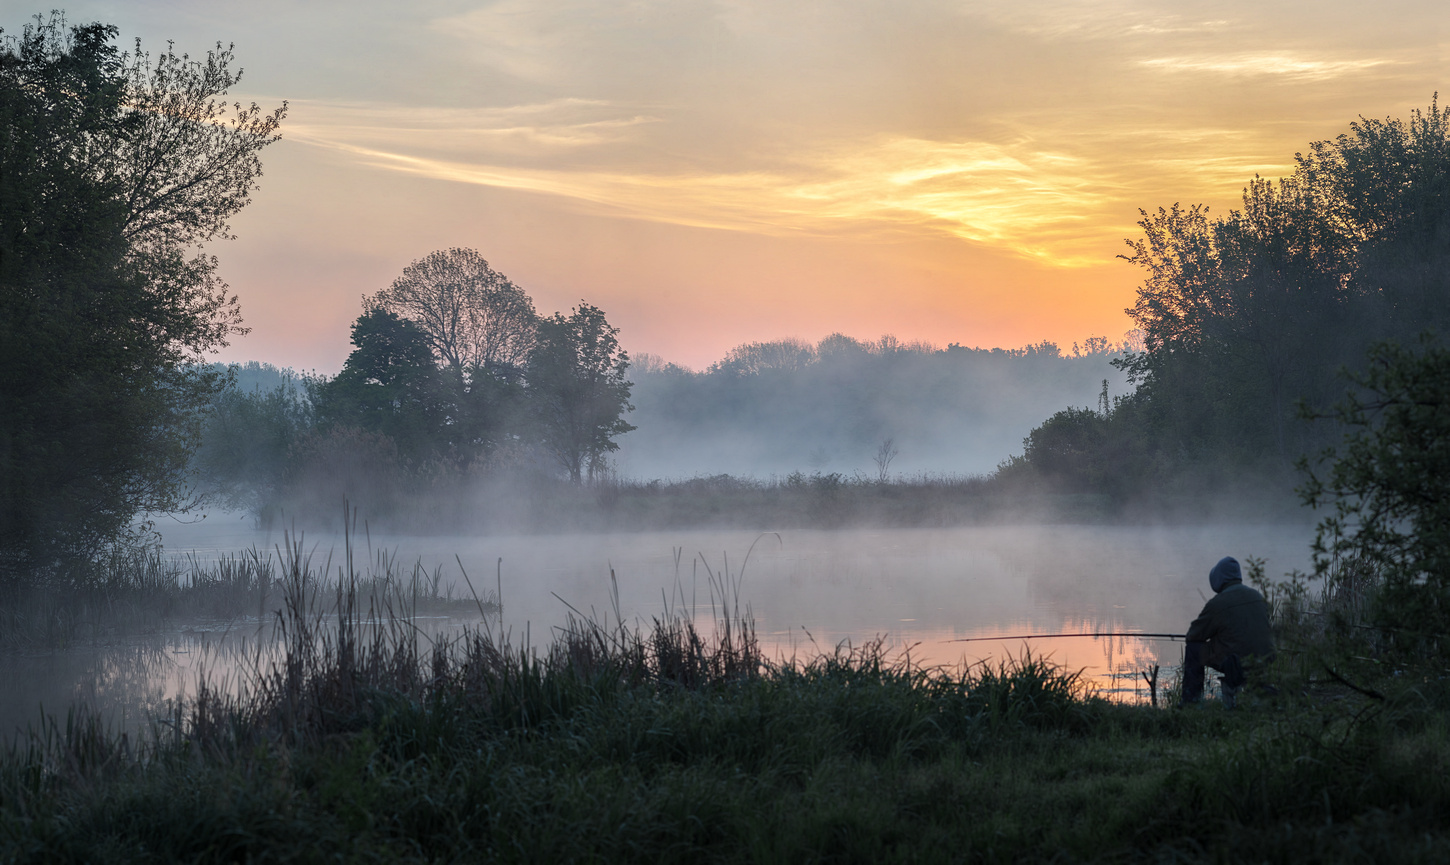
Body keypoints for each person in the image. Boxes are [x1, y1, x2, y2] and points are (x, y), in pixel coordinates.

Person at [1181, 556, 1275, 708]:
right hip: (1265, 657)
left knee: (1194, 648)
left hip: (1235, 661)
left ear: (1218, 579)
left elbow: (1193, 635)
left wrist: (1214, 637)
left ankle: (1191, 700)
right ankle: (1259, 692)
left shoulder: (1218, 603)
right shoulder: (1257, 596)